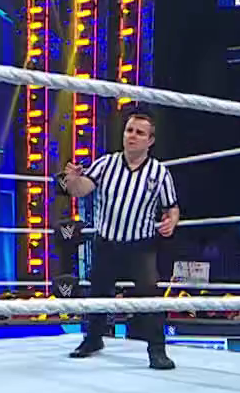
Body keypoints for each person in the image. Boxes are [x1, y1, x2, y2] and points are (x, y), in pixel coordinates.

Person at [59, 111, 179, 370]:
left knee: (150, 295)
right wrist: (73, 180)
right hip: (107, 242)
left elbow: (172, 207)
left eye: (139, 132)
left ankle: (157, 350)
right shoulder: (106, 164)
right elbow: (81, 190)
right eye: (129, 130)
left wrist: (171, 221)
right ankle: (93, 339)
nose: (132, 136)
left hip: (141, 245)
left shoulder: (159, 173)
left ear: (150, 140)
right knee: (98, 292)